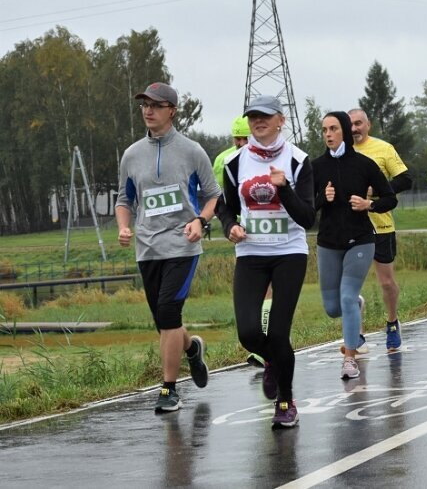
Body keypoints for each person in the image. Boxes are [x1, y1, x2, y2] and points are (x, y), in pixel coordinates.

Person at [115, 82, 221, 412]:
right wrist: (123, 225)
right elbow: (124, 199)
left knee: (168, 313)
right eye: (144, 105)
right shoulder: (132, 155)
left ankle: (169, 388)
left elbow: (213, 195)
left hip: (182, 246)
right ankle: (191, 349)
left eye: (156, 105)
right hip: (148, 248)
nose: (148, 110)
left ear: (172, 111)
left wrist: (200, 222)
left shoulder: (192, 151)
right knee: (164, 323)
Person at [216, 94, 315, 429]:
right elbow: (224, 206)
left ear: (280, 120)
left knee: (277, 331)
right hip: (251, 254)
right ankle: (274, 361)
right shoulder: (235, 163)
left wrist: (284, 189)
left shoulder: (298, 160)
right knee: (247, 333)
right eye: (253, 117)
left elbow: (308, 217)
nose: (258, 122)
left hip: (289, 252)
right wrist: (230, 226)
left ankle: (285, 401)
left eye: (265, 116)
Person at [312, 111, 397, 379]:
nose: (328, 134)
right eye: (324, 129)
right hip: (328, 242)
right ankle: (355, 306)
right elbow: (306, 207)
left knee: (346, 296)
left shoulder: (364, 164)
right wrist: (322, 199)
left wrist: (368, 204)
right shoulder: (316, 167)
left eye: (333, 129)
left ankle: (350, 359)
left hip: (361, 239)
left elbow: (390, 198)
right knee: (333, 308)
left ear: (345, 132)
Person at [349, 108, 412, 352]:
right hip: (352, 227)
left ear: (368, 125)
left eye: (358, 123)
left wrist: (375, 192)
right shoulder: (341, 153)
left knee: (386, 282)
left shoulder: (383, 149)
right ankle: (357, 335)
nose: (354, 128)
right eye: (350, 124)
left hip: (381, 224)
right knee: (351, 283)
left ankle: (392, 321)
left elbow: (405, 180)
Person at [211, 116, 271, 368]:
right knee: (254, 290)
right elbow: (218, 201)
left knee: (271, 288)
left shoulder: (270, 156)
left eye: (245, 138)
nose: (240, 143)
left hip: (270, 229)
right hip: (243, 232)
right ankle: (262, 340)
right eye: (236, 138)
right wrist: (230, 226)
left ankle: (266, 344)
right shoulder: (223, 161)